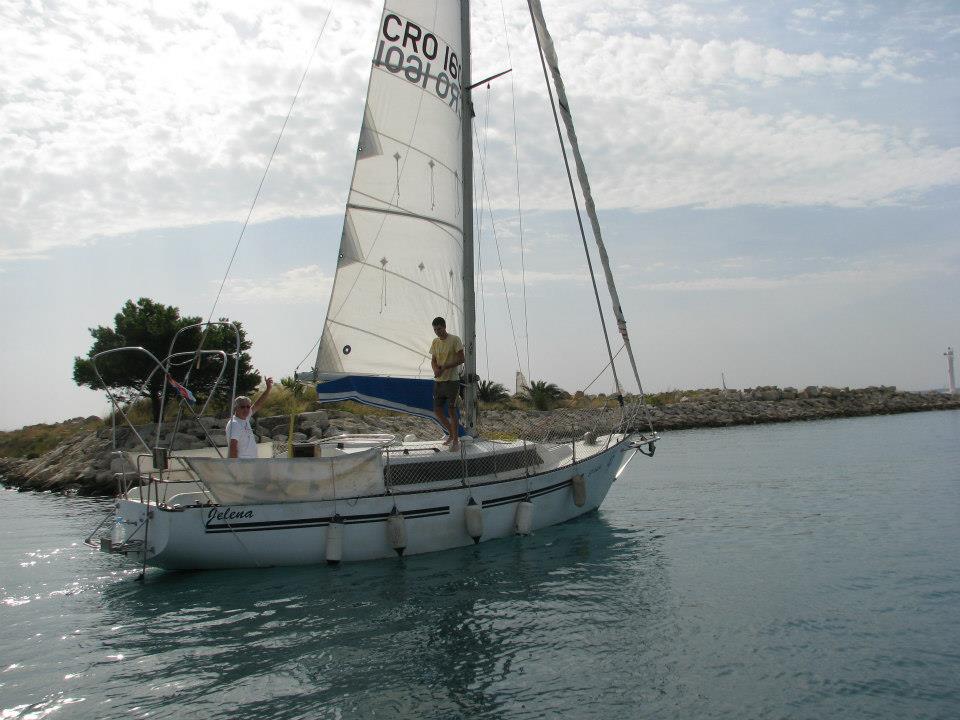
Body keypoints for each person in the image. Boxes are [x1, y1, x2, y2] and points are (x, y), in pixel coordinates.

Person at [430, 316, 464, 451]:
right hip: (439, 382)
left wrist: (445, 367)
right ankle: (451, 434)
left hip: (452, 381)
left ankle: (456, 441)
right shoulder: (435, 342)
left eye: (439, 329)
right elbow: (433, 360)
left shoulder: (455, 339)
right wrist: (436, 369)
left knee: (451, 410)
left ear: (444, 327)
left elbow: (461, 359)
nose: (437, 332)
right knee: (437, 411)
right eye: (435, 330)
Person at [226, 377, 274, 459]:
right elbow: (233, 447)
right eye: (242, 407)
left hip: (251, 462)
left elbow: (258, 404)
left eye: (248, 407)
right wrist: (235, 465)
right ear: (236, 408)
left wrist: (268, 389)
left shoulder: (245, 418)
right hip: (243, 464)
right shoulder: (234, 424)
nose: (246, 409)